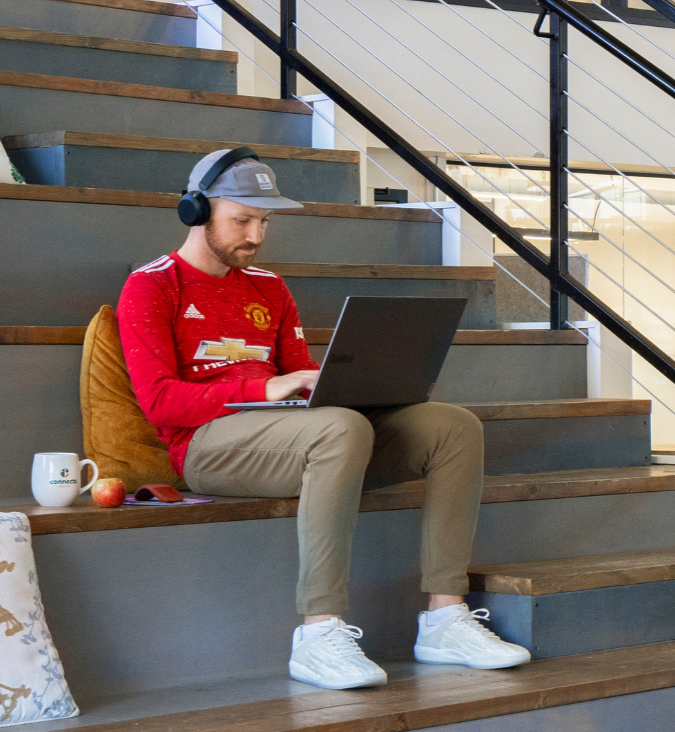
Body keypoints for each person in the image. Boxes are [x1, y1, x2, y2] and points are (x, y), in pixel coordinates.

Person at [117, 149, 530, 690]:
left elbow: (307, 380)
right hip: (206, 447)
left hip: (292, 436)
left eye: (264, 221)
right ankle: (318, 631)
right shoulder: (152, 285)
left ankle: (444, 619)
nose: (257, 234)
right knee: (341, 429)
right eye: (242, 220)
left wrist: (357, 387)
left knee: (452, 426)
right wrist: (265, 386)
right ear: (197, 212)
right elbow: (161, 402)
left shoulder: (268, 286)